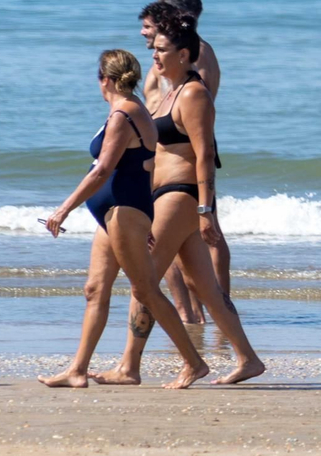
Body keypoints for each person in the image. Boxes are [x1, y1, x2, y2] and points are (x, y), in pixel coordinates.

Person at [92, 17, 266, 386]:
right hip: (161, 196)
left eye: (161, 49)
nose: (153, 54)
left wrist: (206, 210)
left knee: (144, 282)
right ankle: (248, 359)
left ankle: (131, 365)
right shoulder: (169, 92)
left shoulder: (193, 94)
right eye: (153, 48)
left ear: (184, 54)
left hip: (182, 195)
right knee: (205, 288)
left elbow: (204, 155)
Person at [38, 50, 209, 390]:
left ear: (105, 79)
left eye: (98, 78)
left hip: (122, 211)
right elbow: (148, 167)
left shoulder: (124, 114)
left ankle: (194, 363)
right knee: (94, 290)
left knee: (145, 289)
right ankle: (77, 369)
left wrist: (64, 209)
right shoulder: (129, 111)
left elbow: (102, 170)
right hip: (119, 213)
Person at [140, 0, 227, 324]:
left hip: (186, 166)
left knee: (210, 235)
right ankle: (194, 313)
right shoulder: (166, 57)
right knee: (181, 248)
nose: (146, 30)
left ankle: (206, 312)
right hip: (163, 164)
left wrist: (204, 203)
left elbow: (197, 112)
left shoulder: (196, 54)